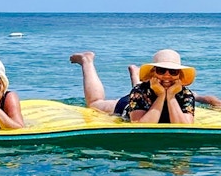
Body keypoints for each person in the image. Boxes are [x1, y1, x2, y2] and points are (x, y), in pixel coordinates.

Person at [70, 49, 221, 124]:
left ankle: (136, 74)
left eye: (173, 71)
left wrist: (170, 96)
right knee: (95, 103)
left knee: (148, 88)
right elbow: (142, 124)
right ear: (153, 72)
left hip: (148, 94)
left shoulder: (185, 93)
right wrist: (162, 96)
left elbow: (184, 125)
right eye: (161, 70)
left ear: (179, 75)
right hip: (130, 106)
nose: (167, 75)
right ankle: (87, 61)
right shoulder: (139, 91)